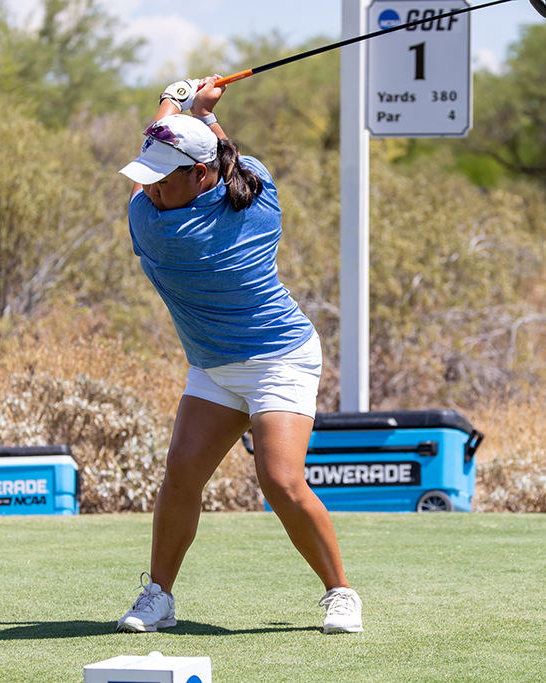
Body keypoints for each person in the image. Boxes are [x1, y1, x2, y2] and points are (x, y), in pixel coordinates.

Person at [114, 76, 363, 635]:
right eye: (148, 180)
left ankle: (341, 593)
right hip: (215, 365)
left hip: (279, 357)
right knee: (181, 476)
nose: (150, 189)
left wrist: (172, 101)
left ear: (200, 174)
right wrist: (199, 114)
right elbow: (228, 156)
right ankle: (158, 596)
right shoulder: (261, 190)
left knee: (279, 480)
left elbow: (155, 175)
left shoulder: (158, 229)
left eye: (160, 178)